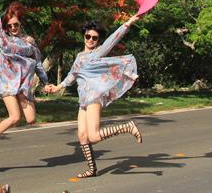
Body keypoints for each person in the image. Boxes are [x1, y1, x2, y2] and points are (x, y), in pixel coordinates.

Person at [44, 15, 144, 178]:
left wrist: (128, 22)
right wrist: (57, 87)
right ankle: (92, 169)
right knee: (82, 136)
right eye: (88, 36)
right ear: (84, 36)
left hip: (94, 97)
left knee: (94, 136)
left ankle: (127, 126)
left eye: (94, 38)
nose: (90, 40)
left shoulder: (98, 53)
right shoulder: (79, 57)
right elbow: (72, 75)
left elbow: (113, 39)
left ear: (98, 40)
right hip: (83, 100)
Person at [0, 0, 50, 146]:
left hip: (22, 86)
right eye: (9, 26)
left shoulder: (29, 41)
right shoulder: (3, 37)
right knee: (15, 117)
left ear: (20, 23)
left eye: (15, 25)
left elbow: (37, 62)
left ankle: (22, 99)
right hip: (7, 84)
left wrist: (46, 82)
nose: (12, 28)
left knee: (31, 119)